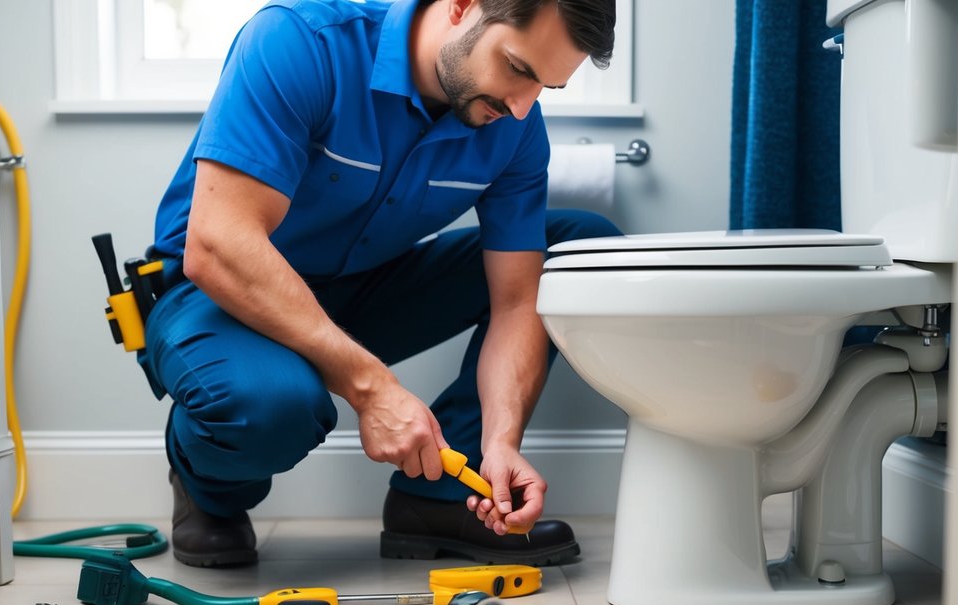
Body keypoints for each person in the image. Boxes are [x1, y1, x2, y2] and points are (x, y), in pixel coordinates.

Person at [141, 0, 621, 568]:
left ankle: (442, 495)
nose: (521, 108)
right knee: (268, 408)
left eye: (545, 86)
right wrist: (372, 389)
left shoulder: (514, 128)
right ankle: (209, 492)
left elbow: (517, 299)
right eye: (518, 68)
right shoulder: (303, 42)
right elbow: (218, 246)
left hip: (361, 290)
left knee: (576, 251)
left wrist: (499, 442)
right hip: (222, 294)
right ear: (462, 7)